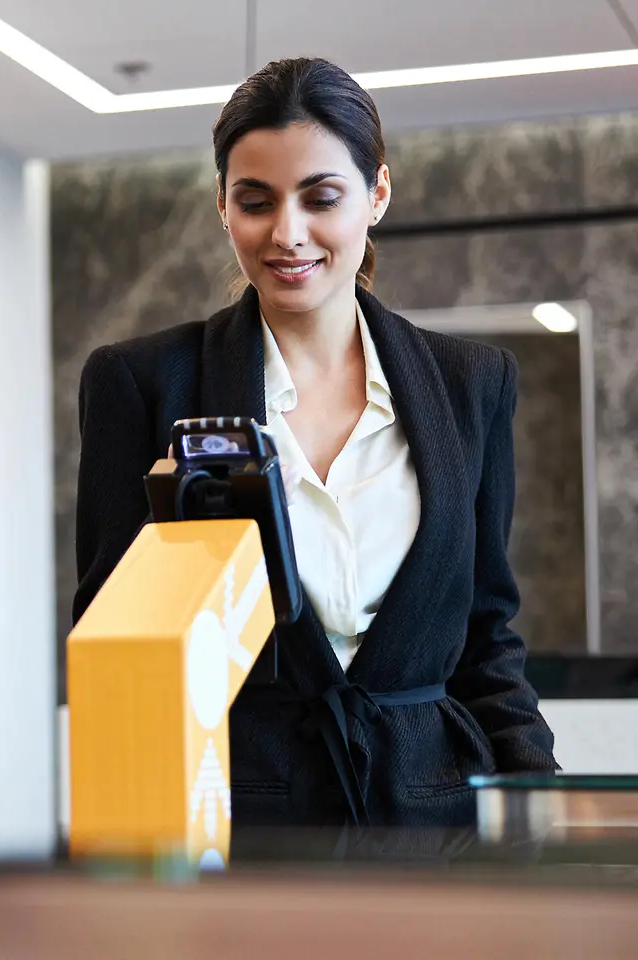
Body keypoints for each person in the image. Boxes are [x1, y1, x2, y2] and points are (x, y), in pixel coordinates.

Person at [72, 57, 556, 831]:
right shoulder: (144, 384)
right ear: (223, 208)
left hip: (432, 820)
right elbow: (115, 647)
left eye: (321, 197)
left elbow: (485, 638)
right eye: (255, 201)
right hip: (240, 820)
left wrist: (543, 806)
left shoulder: (471, 384)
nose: (287, 233)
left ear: (378, 193)